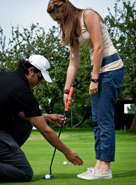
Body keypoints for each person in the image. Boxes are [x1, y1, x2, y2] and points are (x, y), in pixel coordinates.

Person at [47, 0, 125, 180]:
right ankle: (99, 164)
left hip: (110, 68)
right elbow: (73, 63)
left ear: (65, 11)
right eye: (55, 20)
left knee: (104, 119)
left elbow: (99, 47)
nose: (58, 23)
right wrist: (66, 92)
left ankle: (105, 168)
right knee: (97, 120)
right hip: (98, 71)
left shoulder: (88, 15)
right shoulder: (72, 29)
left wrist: (94, 78)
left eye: (58, 18)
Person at [0, 54, 83, 182]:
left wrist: (45, 116)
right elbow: (45, 130)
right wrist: (67, 152)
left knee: (25, 125)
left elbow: (19, 114)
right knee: (24, 172)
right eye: (40, 77)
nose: (40, 82)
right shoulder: (23, 91)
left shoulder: (2, 76)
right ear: (31, 71)